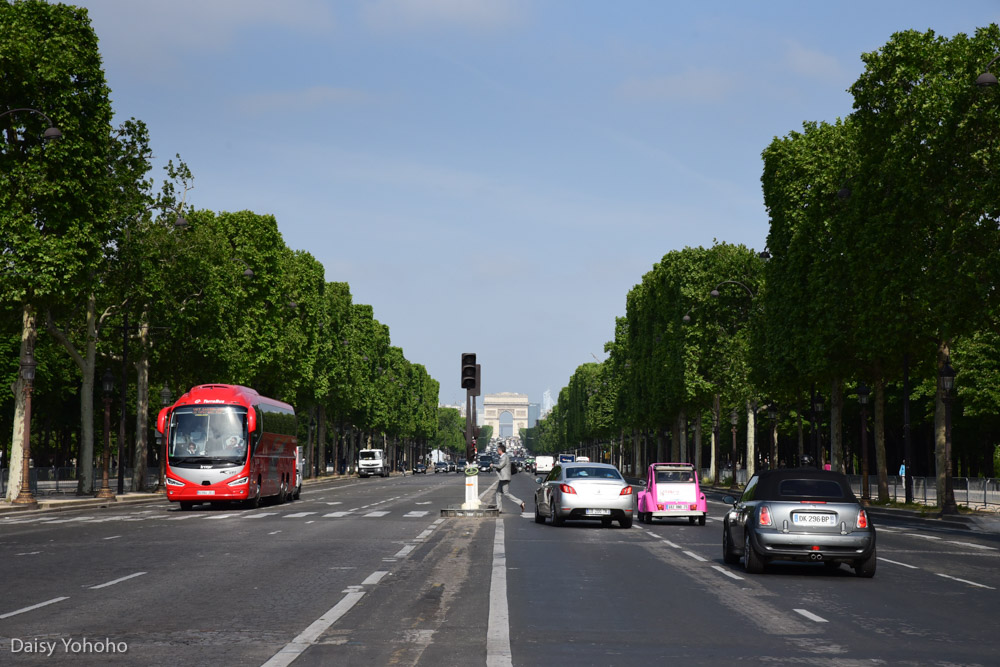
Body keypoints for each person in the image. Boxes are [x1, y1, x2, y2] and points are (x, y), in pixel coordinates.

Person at [494, 444, 525, 514]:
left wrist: (493, 465)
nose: (497, 451)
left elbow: (500, 466)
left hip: (505, 478)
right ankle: (499, 509)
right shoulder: (503, 457)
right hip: (502, 478)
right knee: (498, 493)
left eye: (498, 450)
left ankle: (521, 502)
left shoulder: (504, 457)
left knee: (506, 493)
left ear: (500, 450)